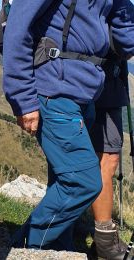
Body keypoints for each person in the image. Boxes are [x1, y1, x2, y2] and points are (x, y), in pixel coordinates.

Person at [2, 0, 134, 251]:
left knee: (62, 180)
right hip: (54, 90)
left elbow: (128, 37)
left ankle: (57, 249)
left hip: (85, 96)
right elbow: (18, 29)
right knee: (83, 182)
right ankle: (26, 248)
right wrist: (23, 98)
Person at [89, 43, 132, 259]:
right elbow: (125, 40)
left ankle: (92, 230)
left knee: (98, 157)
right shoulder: (107, 8)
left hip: (97, 80)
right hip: (102, 84)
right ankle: (104, 239)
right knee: (106, 158)